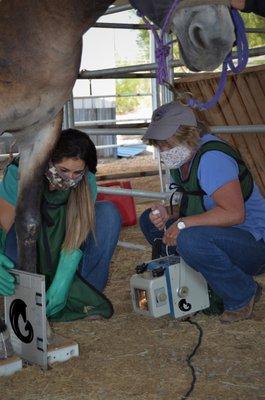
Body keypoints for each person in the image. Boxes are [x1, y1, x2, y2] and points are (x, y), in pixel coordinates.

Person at [140, 102, 265, 323]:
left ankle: (242, 293)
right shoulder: (182, 159)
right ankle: (192, 288)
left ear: (189, 134)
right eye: (159, 144)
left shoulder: (212, 158)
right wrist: (168, 215)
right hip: (221, 234)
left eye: (166, 143)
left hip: (253, 243)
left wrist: (182, 224)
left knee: (190, 239)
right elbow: (200, 203)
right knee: (149, 220)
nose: (162, 150)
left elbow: (235, 214)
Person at [0, 128, 121, 321]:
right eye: (63, 170)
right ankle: (24, 295)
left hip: (63, 242)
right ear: (48, 160)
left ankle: (83, 295)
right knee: (16, 234)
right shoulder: (20, 172)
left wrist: (63, 279)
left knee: (108, 214)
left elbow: (77, 233)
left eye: (77, 172)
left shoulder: (86, 181)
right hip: (31, 243)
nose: (70, 178)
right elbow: (5, 225)